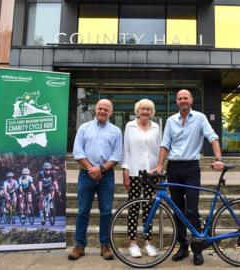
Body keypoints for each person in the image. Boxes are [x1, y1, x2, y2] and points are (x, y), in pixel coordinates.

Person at [153, 89, 224, 266]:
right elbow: (164, 144)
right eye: (180, 98)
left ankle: (197, 249)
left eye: (186, 98)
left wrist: (218, 159)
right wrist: (160, 165)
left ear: (191, 100)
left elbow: (212, 137)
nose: (183, 101)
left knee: (192, 209)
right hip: (174, 167)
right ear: (177, 102)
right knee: (177, 210)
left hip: (191, 167)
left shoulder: (200, 118)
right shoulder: (171, 120)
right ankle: (183, 246)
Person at [69, 99, 122, 261]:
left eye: (106, 109)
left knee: (106, 212)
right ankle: (79, 246)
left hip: (107, 175)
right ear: (95, 110)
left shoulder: (116, 131)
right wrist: (92, 169)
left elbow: (117, 155)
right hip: (86, 174)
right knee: (82, 211)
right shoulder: (84, 128)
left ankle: (105, 246)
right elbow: (78, 152)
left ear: (111, 113)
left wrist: (101, 169)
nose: (103, 111)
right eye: (100, 108)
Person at [121, 99, 161, 258]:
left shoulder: (157, 127)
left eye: (148, 109)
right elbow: (126, 150)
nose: (145, 112)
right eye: (143, 109)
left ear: (152, 112)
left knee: (149, 208)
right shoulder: (129, 126)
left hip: (151, 173)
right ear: (137, 111)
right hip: (134, 172)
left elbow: (160, 149)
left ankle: (147, 243)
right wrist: (125, 171)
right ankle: (132, 244)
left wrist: (159, 167)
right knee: (133, 208)